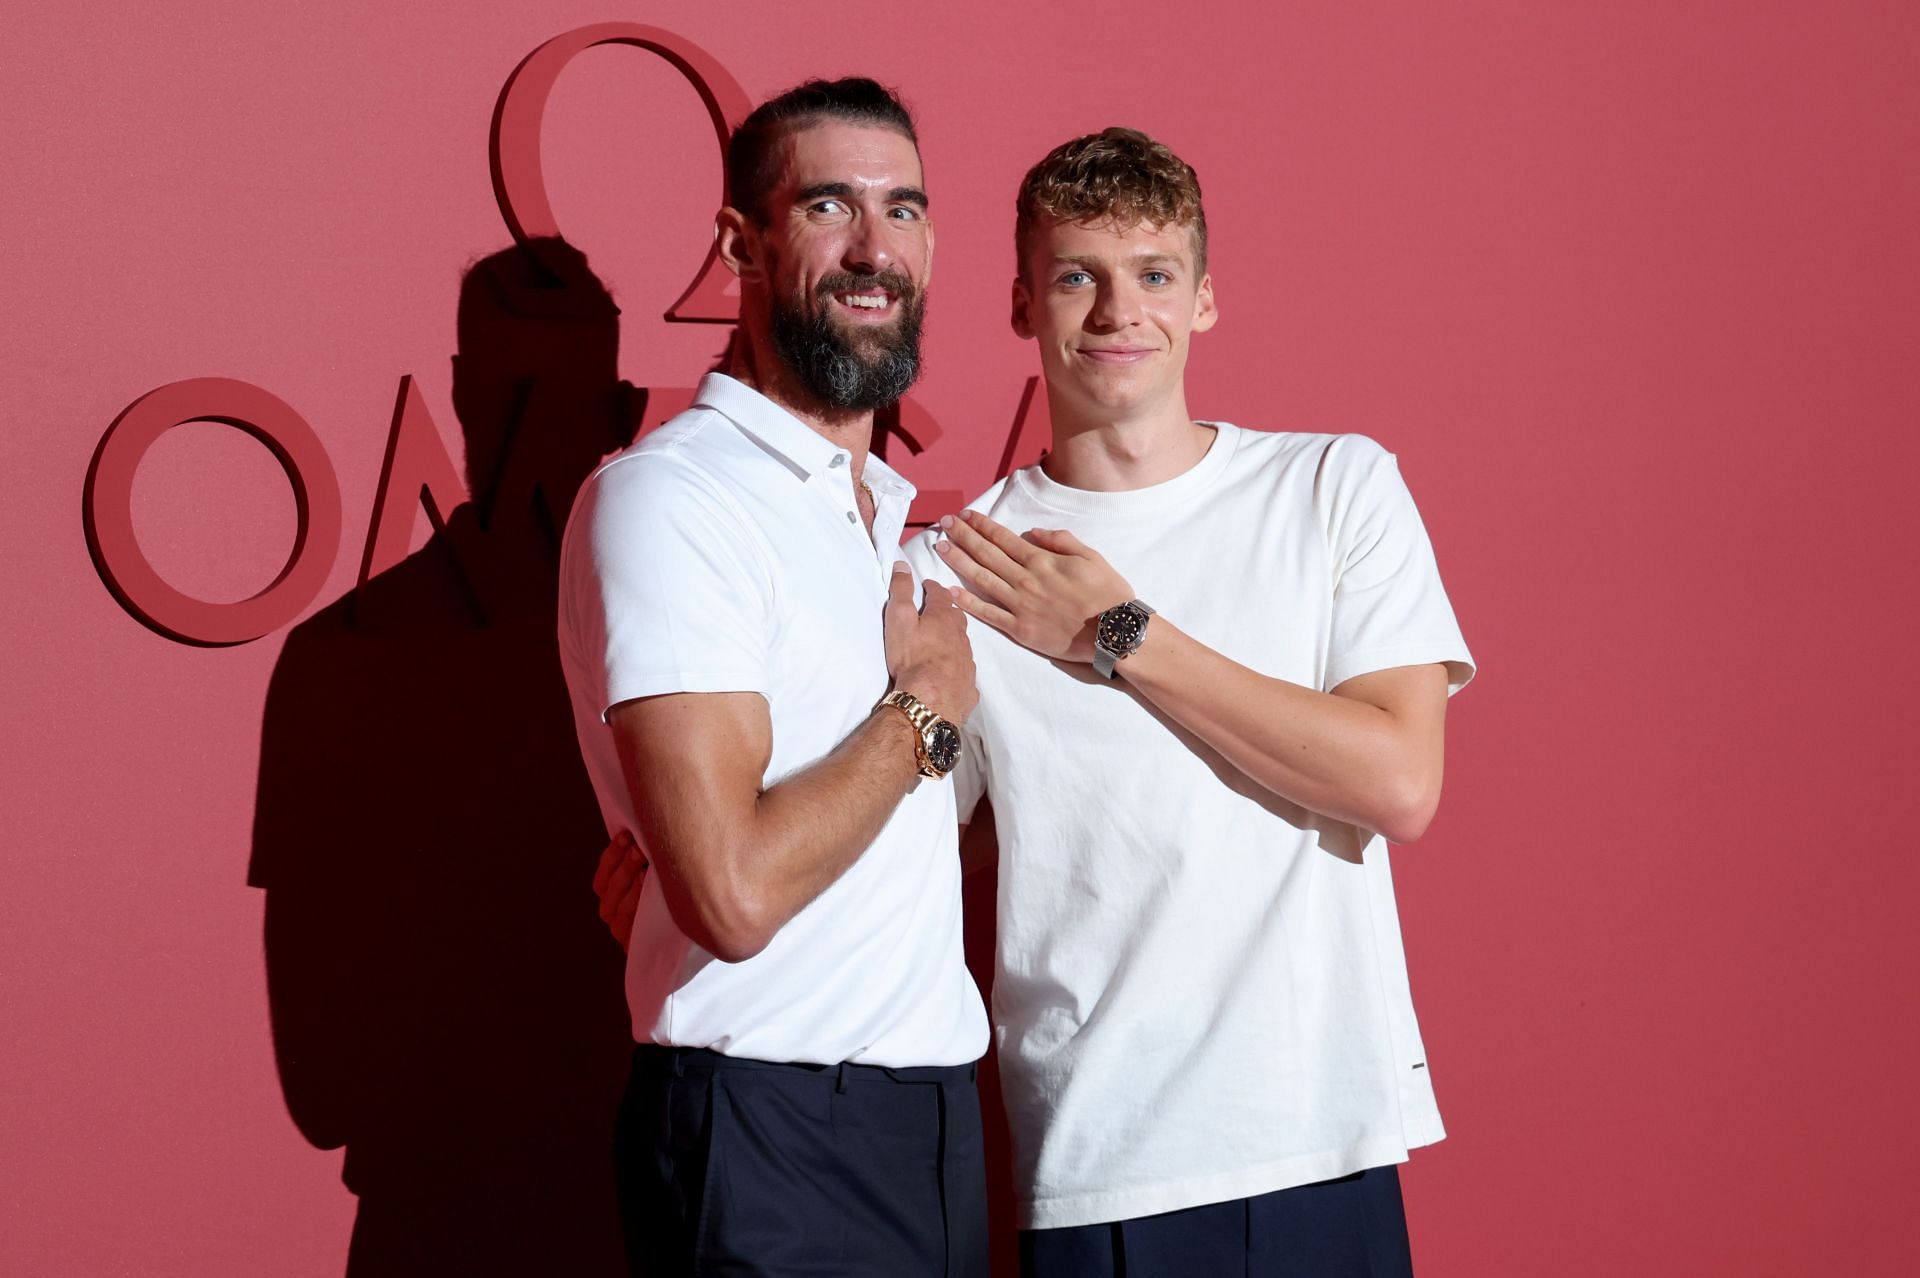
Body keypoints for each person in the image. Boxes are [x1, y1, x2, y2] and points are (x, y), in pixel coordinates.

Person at [598, 127, 1475, 1277]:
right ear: (1021, 304)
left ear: (1205, 301)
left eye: (1155, 276)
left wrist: (1120, 637)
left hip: (1318, 1142)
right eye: (1078, 278)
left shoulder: (1333, 487)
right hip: (1096, 1160)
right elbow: (895, 840)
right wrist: (678, 910)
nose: (1120, 312)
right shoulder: (952, 574)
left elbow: (1400, 784)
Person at [558, 77, 989, 1278]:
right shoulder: (674, 500)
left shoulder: (887, 528)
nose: (874, 249)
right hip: (766, 1132)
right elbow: (736, 896)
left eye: (903, 211)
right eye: (830, 208)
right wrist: (922, 716)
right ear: (741, 244)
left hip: (930, 1120)